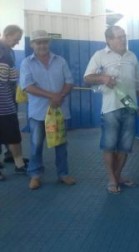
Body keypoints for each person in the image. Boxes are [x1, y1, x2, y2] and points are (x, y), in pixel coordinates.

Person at [84, 26, 139, 194]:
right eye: (119, 37)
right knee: (109, 145)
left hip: (130, 107)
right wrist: (102, 78)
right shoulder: (99, 56)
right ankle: (111, 179)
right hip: (111, 108)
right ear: (109, 40)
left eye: (124, 36)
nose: (123, 39)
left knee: (125, 146)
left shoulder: (132, 56)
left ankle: (117, 176)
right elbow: (87, 78)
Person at [20, 30, 76, 190]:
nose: (42, 45)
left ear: (49, 43)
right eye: (38, 42)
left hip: (59, 111)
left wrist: (61, 95)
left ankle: (63, 174)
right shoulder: (26, 63)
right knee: (36, 144)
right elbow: (27, 86)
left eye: (45, 42)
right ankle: (35, 175)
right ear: (32, 44)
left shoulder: (60, 61)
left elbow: (69, 81)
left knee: (61, 144)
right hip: (38, 113)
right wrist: (53, 96)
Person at [0, 24, 27, 181]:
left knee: (14, 136)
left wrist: (14, 76)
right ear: (7, 35)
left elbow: (9, 80)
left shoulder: (9, 54)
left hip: (8, 105)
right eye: (16, 39)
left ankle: (19, 164)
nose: (17, 43)